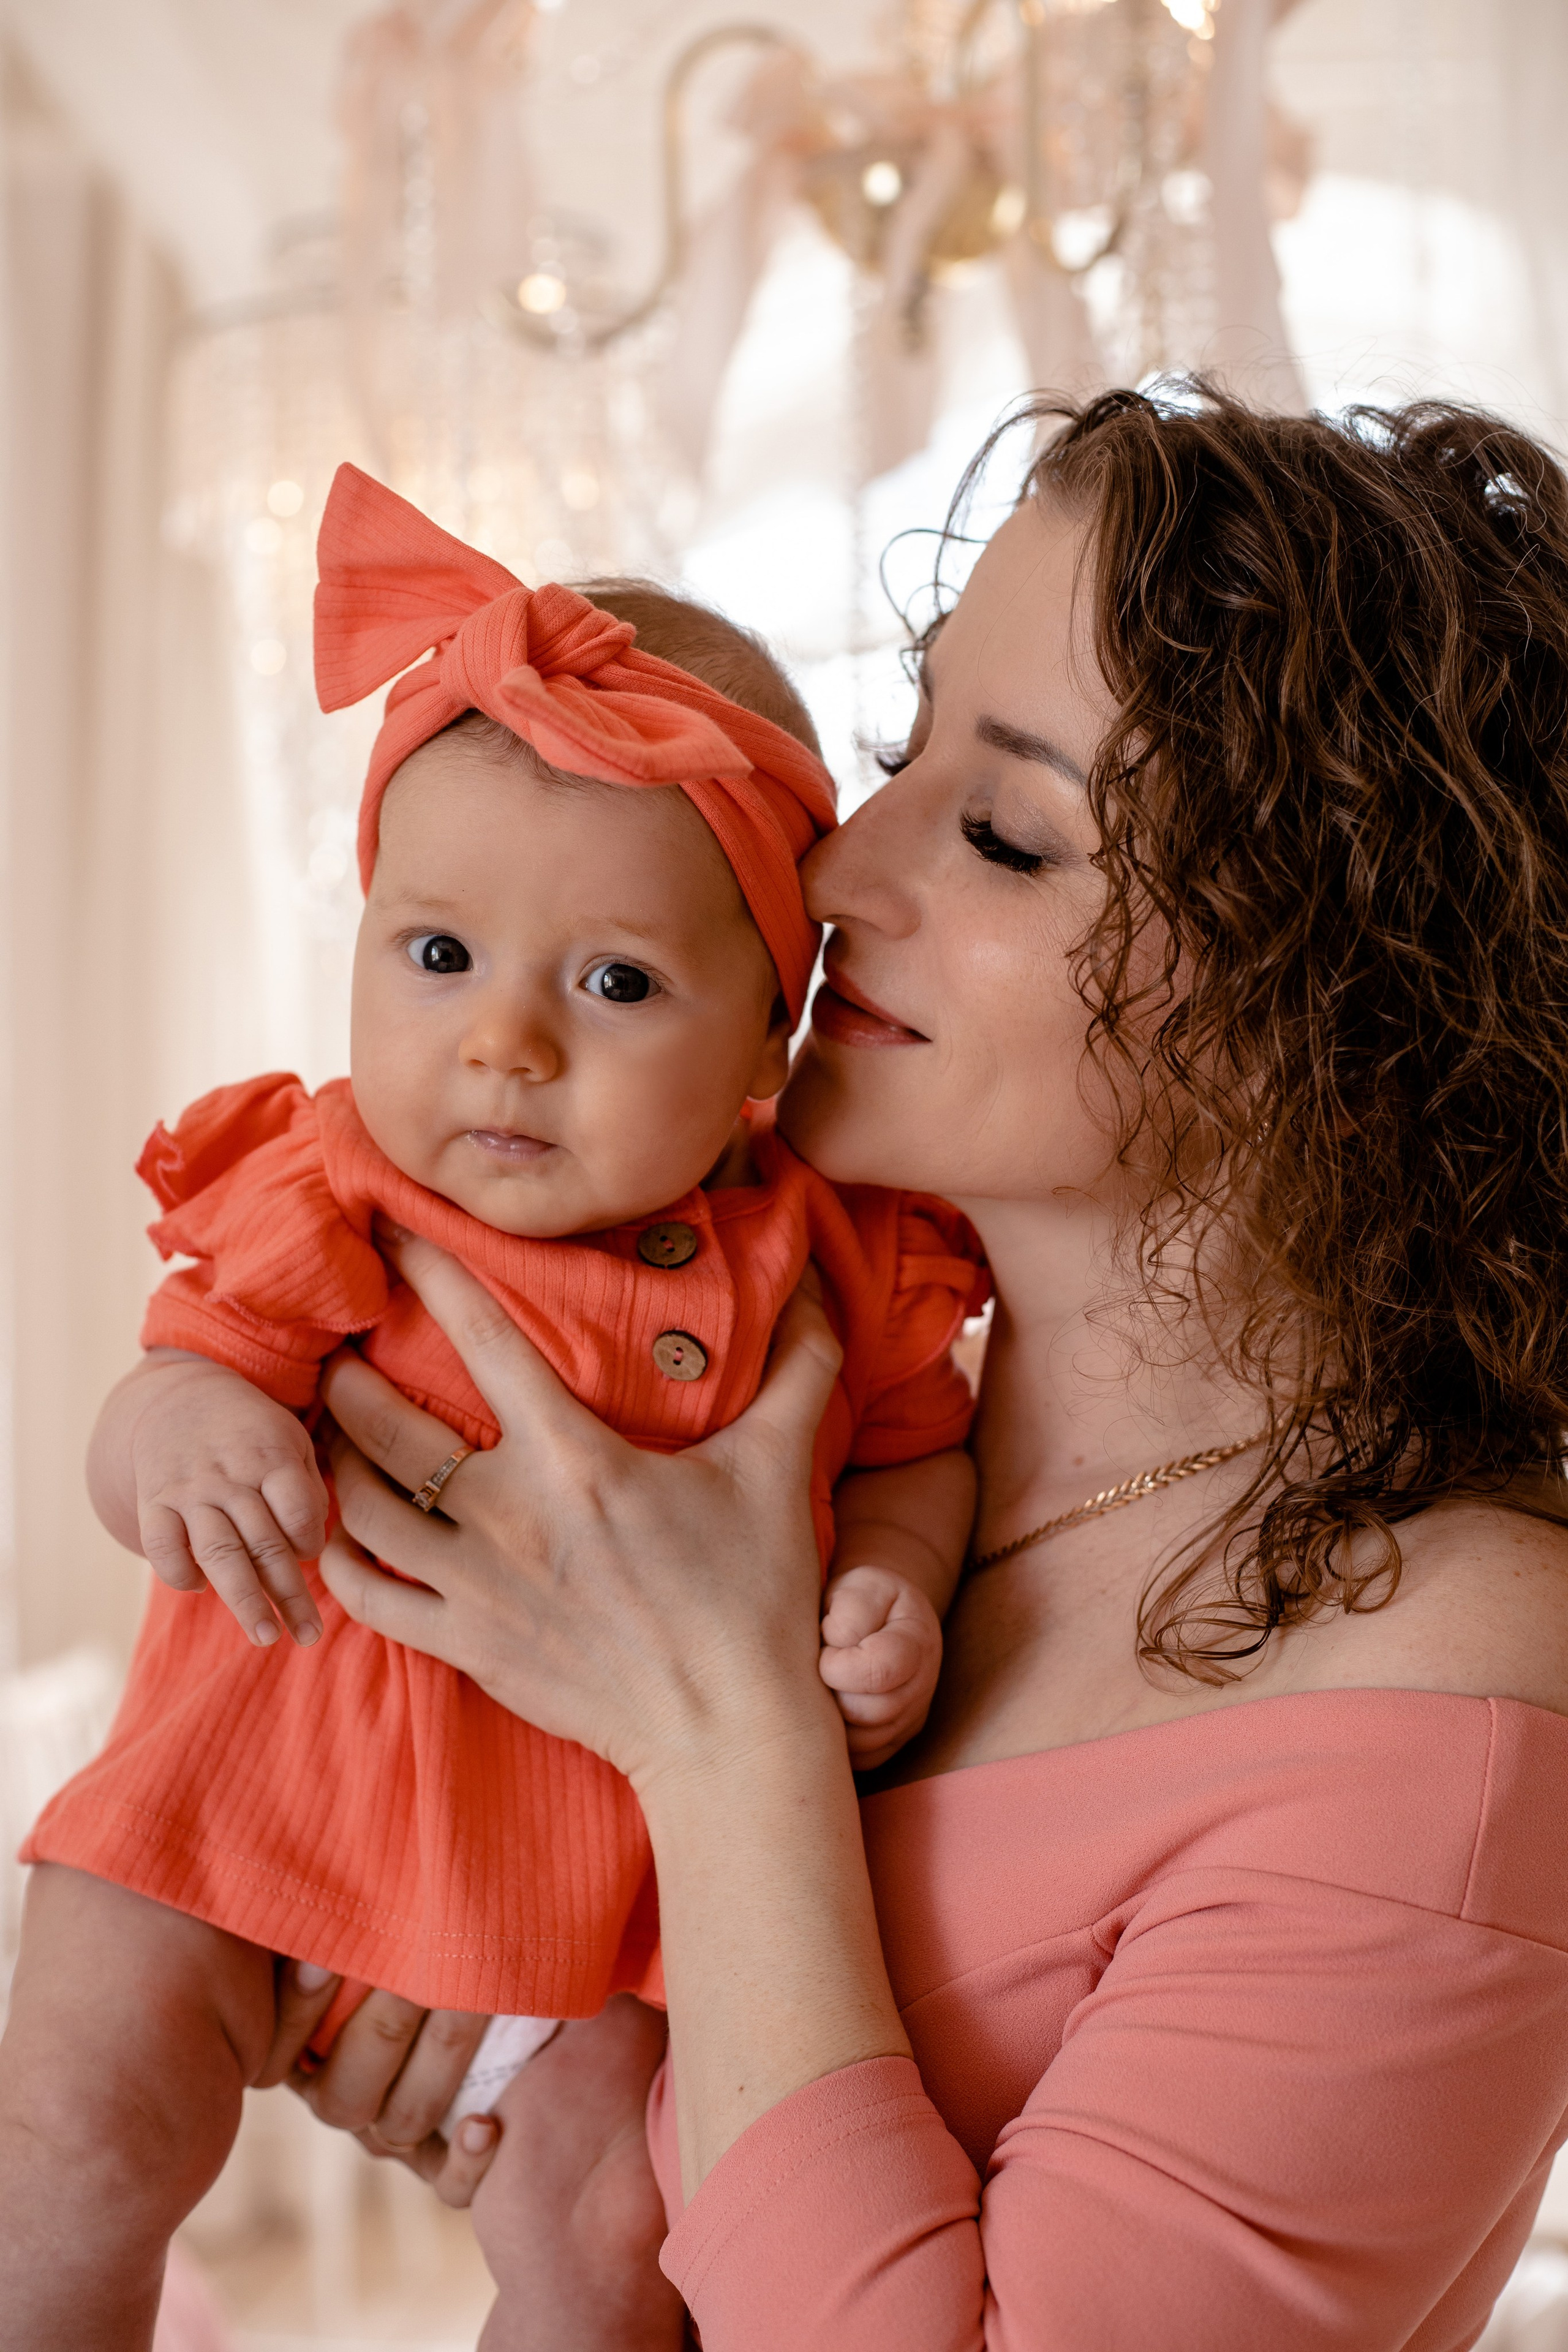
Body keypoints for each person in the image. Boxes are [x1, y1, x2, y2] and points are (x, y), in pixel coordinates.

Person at [265, 386, 1568, 2351]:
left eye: (1005, 833)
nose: (832, 873)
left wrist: (717, 1750)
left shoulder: (1463, 1700)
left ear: (1334, 1001)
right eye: (899, 747)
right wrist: (490, 2004)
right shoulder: (800, 1444)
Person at [0, 466, 984, 2350]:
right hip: (239, 1799)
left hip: (589, 1900)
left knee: (618, 2248)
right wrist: (185, 1438)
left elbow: (918, 1452)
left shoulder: (833, 1255)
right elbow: (173, 1391)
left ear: (769, 1036)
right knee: (62, 2130)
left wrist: (897, 1582)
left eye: (617, 983)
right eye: (438, 955)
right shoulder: (333, 1177)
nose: (504, 1043)